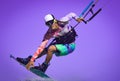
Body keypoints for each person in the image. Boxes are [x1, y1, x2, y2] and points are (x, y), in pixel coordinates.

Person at [16, 12, 84, 73]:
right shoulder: (49, 33)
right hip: (61, 44)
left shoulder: (63, 21)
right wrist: (32, 59)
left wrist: (77, 18)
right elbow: (41, 47)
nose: (50, 25)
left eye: (50, 22)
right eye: (47, 24)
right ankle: (29, 60)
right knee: (45, 50)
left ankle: (44, 67)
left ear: (55, 20)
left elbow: (71, 14)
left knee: (50, 48)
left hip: (70, 46)